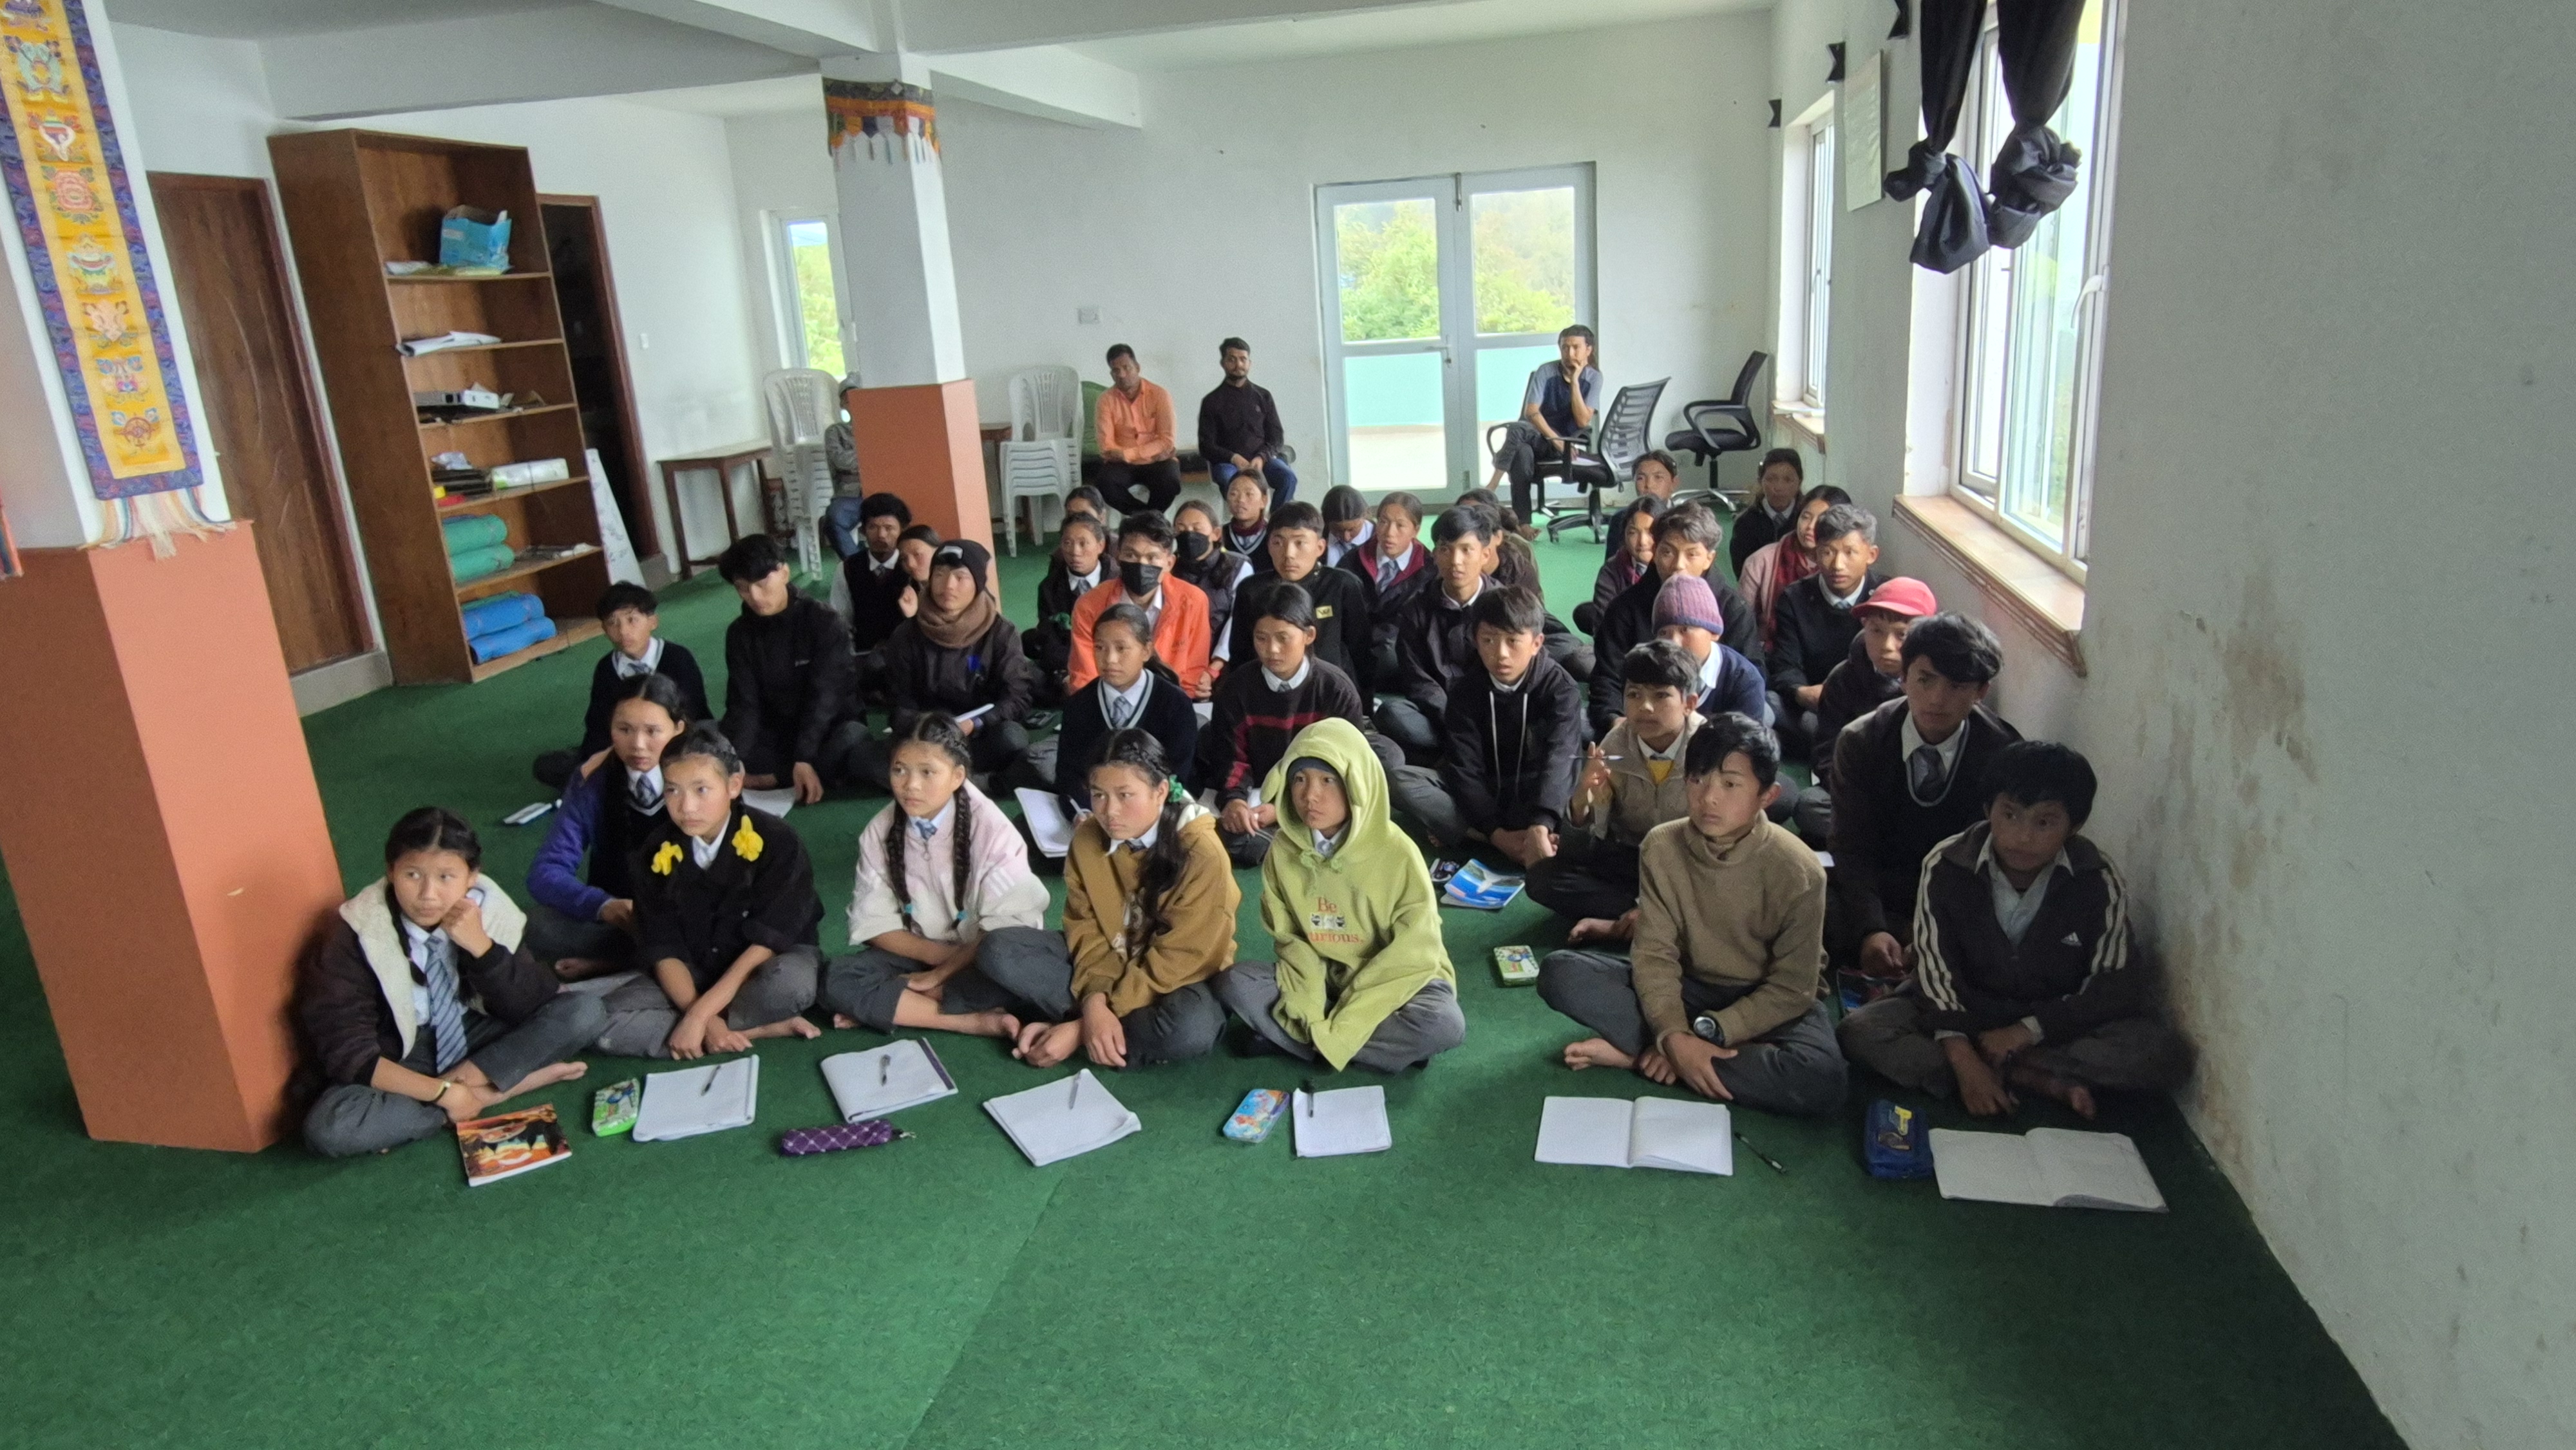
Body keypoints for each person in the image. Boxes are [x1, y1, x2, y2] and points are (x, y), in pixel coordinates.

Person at [1838, 741, 2196, 1117]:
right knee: (1861, 1033)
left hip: (2049, 1023)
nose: (2023, 837)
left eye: (2045, 822)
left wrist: (2028, 1030)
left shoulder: (2096, 879)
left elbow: (2113, 983)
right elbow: (1935, 973)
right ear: (1987, 810)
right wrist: (1962, 1057)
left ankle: (2009, 1066)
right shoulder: (1946, 865)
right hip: (1963, 1010)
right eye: (2009, 816)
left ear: (2074, 826)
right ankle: (2030, 1077)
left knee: (2164, 1053)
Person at [1537, 712, 1846, 1117]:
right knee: (1560, 973)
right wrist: (1674, 1033)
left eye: (1731, 784)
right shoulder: (1662, 846)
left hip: (1765, 1001)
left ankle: (1647, 1056)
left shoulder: (1799, 869)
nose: (1709, 798)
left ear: (1766, 796)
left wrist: (1707, 1033)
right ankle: (1700, 1058)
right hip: (1690, 986)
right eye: (1698, 780)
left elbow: (1793, 988)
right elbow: (1654, 956)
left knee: (1824, 1080)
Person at [297, 808, 603, 1157]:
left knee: (584, 1011)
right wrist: (443, 1093)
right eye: (413, 875)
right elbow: (348, 1052)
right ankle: (495, 1091)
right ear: (390, 871)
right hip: (402, 1052)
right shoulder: (357, 932)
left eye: (446, 877)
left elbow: (532, 1004)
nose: (428, 894)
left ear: (472, 877)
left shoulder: (492, 913)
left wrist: (483, 949)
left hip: (471, 1032)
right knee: (331, 1129)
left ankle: (456, 1098)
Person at [1215, 720, 1466, 1073]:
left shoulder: (1398, 852)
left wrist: (1351, 1019)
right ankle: (1371, 1048)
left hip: (1395, 984)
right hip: (1324, 981)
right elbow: (1291, 940)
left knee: (1444, 1023)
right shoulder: (1283, 851)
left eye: (1327, 781)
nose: (1309, 796)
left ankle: (1302, 1042)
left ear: (1356, 785)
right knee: (1235, 982)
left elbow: (1415, 951)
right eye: (1299, 780)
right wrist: (1308, 1003)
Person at [1007, 730, 1241, 1069]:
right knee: (1000, 949)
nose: (1109, 811)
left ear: (1160, 792)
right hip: (1110, 961)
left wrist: (1086, 1023)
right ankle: (1113, 1033)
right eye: (1098, 795)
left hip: (1177, 981)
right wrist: (1095, 999)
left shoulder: (1201, 853)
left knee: (1190, 1028)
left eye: (1125, 795)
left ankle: (1076, 1031)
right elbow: (1084, 927)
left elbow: (1183, 959)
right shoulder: (1088, 838)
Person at [818, 716, 1057, 1044]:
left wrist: (941, 975)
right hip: (922, 951)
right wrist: (937, 965)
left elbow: (1010, 931)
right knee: (838, 978)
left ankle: (898, 1005)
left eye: (927, 772)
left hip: (983, 956)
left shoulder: (992, 829)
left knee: (1006, 965)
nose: (910, 785)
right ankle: (971, 1021)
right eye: (900, 770)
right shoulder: (880, 830)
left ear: (958, 776)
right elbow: (875, 925)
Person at [595, 726, 825, 1058]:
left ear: (733, 786)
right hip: (695, 972)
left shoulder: (778, 840)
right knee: (602, 1019)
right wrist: (701, 1012)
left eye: (701, 790)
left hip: (761, 968)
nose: (686, 807)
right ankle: (753, 1030)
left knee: (792, 986)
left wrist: (701, 1015)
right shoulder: (656, 850)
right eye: (673, 791)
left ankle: (694, 1030)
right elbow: (664, 949)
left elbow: (768, 942)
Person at [1829, 613, 2021, 977]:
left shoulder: (2002, 753)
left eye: (1957, 686)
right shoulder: (1861, 741)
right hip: (1881, 891)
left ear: (1981, 692)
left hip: (1955, 898)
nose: (1937, 699)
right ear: (1903, 678)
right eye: (1925, 680)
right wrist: (1873, 928)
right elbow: (1851, 846)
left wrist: (1937, 931)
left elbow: (1995, 861)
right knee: (1812, 905)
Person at [1526, 640, 1705, 940]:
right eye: (1634, 694)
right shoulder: (1614, 746)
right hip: (1632, 863)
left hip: (1688, 869)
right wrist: (1580, 803)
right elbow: (1581, 852)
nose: (1645, 707)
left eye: (1661, 695)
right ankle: (1652, 922)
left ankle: (1637, 923)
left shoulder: (1708, 753)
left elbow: (1713, 851)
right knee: (1543, 880)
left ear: (1690, 703)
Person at [1197, 583, 1379, 868]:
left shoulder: (1336, 689)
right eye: (1261, 638)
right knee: (1228, 836)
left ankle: (1288, 835)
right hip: (1258, 793)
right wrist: (1234, 801)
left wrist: (1283, 810)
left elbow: (1345, 768)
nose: (1272, 650)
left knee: (1354, 809)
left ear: (1309, 635)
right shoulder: (1237, 689)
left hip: (1314, 795)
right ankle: (1291, 843)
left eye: (1283, 638)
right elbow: (1232, 759)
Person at [525, 673, 690, 981]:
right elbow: (546, 871)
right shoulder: (592, 781)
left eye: (653, 731)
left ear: (678, 729)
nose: (638, 745)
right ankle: (635, 961)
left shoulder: (700, 780)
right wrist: (605, 906)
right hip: (616, 923)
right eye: (624, 729)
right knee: (538, 925)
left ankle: (615, 965)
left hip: (688, 919)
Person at [1409, 585, 1587, 867]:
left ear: (1537, 643)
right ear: (1475, 641)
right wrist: (1495, 832)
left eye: (1513, 641)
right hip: (1489, 796)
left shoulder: (1561, 689)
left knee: (1587, 779)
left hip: (1541, 797)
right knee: (1404, 779)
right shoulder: (1466, 690)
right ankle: (1505, 841)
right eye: (1489, 640)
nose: (1500, 654)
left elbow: (1560, 758)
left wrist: (1541, 822)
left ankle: (1516, 836)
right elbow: (1465, 767)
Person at [868, 540, 1034, 785]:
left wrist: (977, 723)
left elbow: (1017, 697)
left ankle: (933, 777)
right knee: (864, 759)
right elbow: (899, 702)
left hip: (978, 734)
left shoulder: (1001, 632)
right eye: (940, 575)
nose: (948, 586)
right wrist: (929, 727)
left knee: (1011, 739)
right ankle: (956, 777)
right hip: (924, 736)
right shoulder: (906, 634)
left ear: (977, 583)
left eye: (960, 577)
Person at [1587, 502, 1757, 737]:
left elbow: (1750, 679)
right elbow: (1607, 678)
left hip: (1713, 731)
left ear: (1709, 558)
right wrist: (1616, 720)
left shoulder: (1733, 608)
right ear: (1655, 553)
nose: (1678, 565)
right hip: (1642, 723)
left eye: (1692, 554)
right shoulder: (1625, 608)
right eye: (1668, 552)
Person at [717, 533, 864, 803]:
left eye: (763, 584)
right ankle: (780, 775)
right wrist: (732, 761)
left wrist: (804, 757)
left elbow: (826, 697)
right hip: (776, 730)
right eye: (743, 588)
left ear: (784, 572)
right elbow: (744, 703)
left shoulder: (824, 621)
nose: (755, 596)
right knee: (714, 740)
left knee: (851, 739)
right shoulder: (739, 633)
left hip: (828, 725)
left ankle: (774, 778)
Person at [1796, 577, 1937, 842]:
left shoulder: (1937, 685)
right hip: (1857, 794)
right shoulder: (1843, 679)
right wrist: (1857, 794)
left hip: (1913, 800)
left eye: (1902, 635)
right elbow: (1827, 752)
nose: (1887, 646)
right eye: (1877, 631)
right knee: (1809, 805)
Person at [530, 582, 708, 792]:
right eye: (613, 623)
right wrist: (595, 761)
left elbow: (694, 714)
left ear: (653, 622)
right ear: (604, 630)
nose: (623, 631)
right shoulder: (607, 669)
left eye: (632, 620)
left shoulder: (677, 658)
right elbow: (598, 726)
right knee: (552, 767)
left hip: (673, 747)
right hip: (626, 752)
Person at [1045, 603, 1200, 814]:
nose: (1109, 659)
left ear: (1146, 650)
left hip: (1153, 815)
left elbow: (1177, 777)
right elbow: (1068, 774)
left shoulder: (1176, 705)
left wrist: (1132, 818)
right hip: (1096, 813)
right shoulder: (1078, 704)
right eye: (1100, 647)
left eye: (1121, 648)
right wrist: (1086, 815)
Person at [1374, 501, 1498, 763]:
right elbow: (1417, 679)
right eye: (1446, 550)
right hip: (1439, 715)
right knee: (1392, 713)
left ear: (1485, 555)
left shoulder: (1503, 605)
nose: (1456, 561)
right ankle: (1468, 750)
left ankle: (1449, 754)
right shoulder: (1416, 609)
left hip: (1493, 711)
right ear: (1435, 555)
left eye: (1467, 550)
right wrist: (1453, 718)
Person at [1767, 503, 1886, 760]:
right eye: (1827, 552)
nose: (1837, 565)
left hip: (1869, 705)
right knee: (1769, 703)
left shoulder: (1885, 597)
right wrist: (1802, 692)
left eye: (1850, 552)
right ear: (1815, 554)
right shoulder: (1794, 597)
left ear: (1871, 554)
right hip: (1815, 704)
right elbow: (1785, 665)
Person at [1068, 510, 1215, 699]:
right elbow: (1085, 678)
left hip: (1171, 702)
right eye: (1131, 555)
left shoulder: (1194, 601)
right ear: (1118, 556)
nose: (1141, 564)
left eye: (1152, 558)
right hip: (1108, 702)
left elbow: (1192, 674)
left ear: (1169, 563)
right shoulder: (1089, 605)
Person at [1229, 501, 1372, 691]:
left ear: (1320, 547)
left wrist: (1363, 708)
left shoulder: (1342, 585)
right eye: (1278, 542)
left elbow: (1361, 653)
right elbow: (1240, 655)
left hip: (1331, 692)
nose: (1289, 554)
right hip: (1266, 693)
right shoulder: (1251, 590)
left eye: (1300, 543)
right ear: (1268, 546)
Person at [1488, 324, 1601, 521]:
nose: (1569, 353)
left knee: (1518, 438)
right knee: (1521, 449)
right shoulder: (1546, 371)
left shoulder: (1594, 378)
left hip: (1565, 443)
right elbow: (1531, 412)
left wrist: (1575, 382)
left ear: (1588, 350)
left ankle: (1491, 489)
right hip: (1538, 438)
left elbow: (1583, 421)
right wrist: (1554, 439)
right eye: (1565, 347)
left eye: (1576, 347)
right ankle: (1523, 523)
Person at [1738, 483, 1850, 654]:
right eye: (1806, 517)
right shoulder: (1761, 561)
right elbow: (1742, 625)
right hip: (1771, 656)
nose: (1810, 527)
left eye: (1821, 520)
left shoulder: (1844, 569)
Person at [1654, 574, 1768, 724]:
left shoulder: (1744, 679)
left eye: (1685, 629)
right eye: (1663, 633)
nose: (1673, 643)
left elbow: (1744, 744)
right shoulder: (1650, 671)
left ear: (1714, 633)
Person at [1197, 335, 1297, 504]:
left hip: (1262, 461)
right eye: (1232, 360)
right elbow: (1206, 446)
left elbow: (1277, 437)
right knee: (1230, 482)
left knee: (1288, 479)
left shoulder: (1263, 396)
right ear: (1223, 363)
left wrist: (1262, 457)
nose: (1239, 365)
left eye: (1243, 359)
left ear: (1250, 363)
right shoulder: (1212, 401)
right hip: (1229, 464)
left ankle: (1275, 522)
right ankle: (1243, 524)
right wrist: (1234, 458)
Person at [1024, 513, 1106, 704]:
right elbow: (1049, 637)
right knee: (1024, 676)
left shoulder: (1116, 582)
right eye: (1067, 543)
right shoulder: (1049, 587)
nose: (1075, 552)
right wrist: (1067, 674)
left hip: (1108, 661)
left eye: (1083, 543)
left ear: (1100, 546)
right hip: (1069, 664)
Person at [1092, 343, 1180, 514]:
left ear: (1138, 367)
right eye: (1116, 371)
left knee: (1170, 480)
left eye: (1127, 368)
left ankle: (1149, 519)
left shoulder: (1160, 395)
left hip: (1155, 463)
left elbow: (1166, 441)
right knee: (1105, 483)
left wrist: (1128, 454)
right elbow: (1107, 447)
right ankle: (1146, 518)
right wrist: (1148, 454)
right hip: (1127, 465)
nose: (1122, 375)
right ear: (1111, 374)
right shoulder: (1105, 401)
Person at [829, 492, 918, 657]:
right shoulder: (847, 569)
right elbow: (841, 621)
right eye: (873, 527)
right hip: (864, 654)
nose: (881, 535)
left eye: (889, 528)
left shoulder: (913, 568)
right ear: (863, 530)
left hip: (909, 654)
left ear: (903, 531)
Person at [1356, 491, 1431, 684]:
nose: (1389, 533)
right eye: (1383, 522)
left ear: (1416, 530)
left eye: (1400, 525)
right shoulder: (1354, 560)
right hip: (1358, 640)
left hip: (1398, 644)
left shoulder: (1429, 569)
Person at [1171, 498, 1255, 664]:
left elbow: (1237, 621)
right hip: (1174, 661)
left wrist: (1217, 664)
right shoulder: (1169, 568)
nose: (1189, 534)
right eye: (1181, 528)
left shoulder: (1238, 567)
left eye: (1197, 528)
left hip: (1223, 664)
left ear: (1215, 534)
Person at [1578, 494, 1662, 636]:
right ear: (1624, 536)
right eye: (1633, 532)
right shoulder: (1612, 571)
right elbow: (1605, 630)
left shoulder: (1676, 567)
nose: (1642, 541)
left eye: (1651, 533)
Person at [1596, 449, 1684, 565]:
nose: (1649, 485)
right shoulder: (1621, 518)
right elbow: (1612, 566)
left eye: (1658, 477)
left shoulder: (1683, 519)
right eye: (1641, 478)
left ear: (1674, 483)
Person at [1728, 448, 1807, 576]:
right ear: (1760, 481)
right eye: (1771, 479)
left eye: (1788, 480)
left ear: (1800, 482)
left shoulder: (1807, 521)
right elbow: (1742, 571)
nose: (1779, 487)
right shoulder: (1746, 523)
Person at [820, 388, 866, 558]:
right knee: (833, 520)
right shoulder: (835, 432)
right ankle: (857, 567)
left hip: (880, 490)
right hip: (850, 493)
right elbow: (841, 460)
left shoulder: (880, 429)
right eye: (850, 399)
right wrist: (870, 454)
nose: (856, 402)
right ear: (843, 404)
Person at [1220, 467, 1271, 563]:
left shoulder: (1273, 534)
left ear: (1264, 501)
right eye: (1234, 494)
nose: (1241, 500)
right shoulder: (1219, 535)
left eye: (1249, 494)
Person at [1320, 484, 1374, 569]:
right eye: (1338, 530)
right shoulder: (1317, 539)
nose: (1346, 538)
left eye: (1352, 529)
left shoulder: (1380, 539)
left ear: (1365, 516)